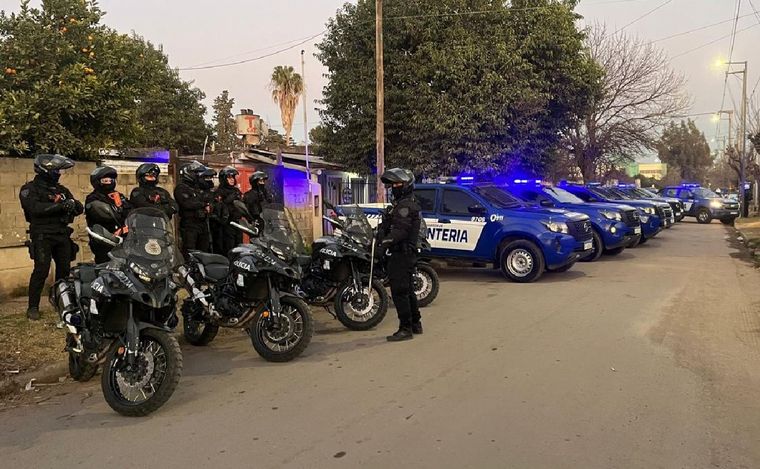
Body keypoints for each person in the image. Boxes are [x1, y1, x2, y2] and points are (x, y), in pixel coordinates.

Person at [19, 154, 83, 320]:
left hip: (61, 234)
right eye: (56, 170)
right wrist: (60, 206)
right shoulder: (29, 189)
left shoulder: (61, 190)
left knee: (64, 270)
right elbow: (35, 209)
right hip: (42, 235)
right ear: (45, 170)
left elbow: (78, 207)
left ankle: (63, 303)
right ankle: (33, 307)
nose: (59, 173)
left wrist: (73, 205)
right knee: (41, 269)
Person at [377, 168, 422, 342]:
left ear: (406, 185)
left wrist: (384, 244)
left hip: (401, 254)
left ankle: (405, 328)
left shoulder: (405, 206)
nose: (393, 188)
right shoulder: (405, 203)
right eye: (392, 185)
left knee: (400, 291)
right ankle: (416, 323)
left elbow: (400, 231)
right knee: (408, 289)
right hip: (406, 253)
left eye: (397, 184)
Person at [85, 166, 132, 264]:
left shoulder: (119, 196)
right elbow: (108, 214)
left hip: (124, 239)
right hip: (104, 240)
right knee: (105, 267)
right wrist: (119, 211)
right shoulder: (93, 198)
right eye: (105, 180)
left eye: (111, 179)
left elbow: (131, 211)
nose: (109, 182)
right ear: (97, 181)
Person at [175, 161, 213, 257]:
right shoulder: (181, 188)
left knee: (204, 250)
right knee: (190, 251)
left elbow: (209, 200)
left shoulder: (198, 188)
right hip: (190, 225)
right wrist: (203, 204)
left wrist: (207, 205)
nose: (197, 175)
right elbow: (187, 203)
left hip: (202, 223)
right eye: (195, 173)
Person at [212, 166, 244, 255]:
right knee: (229, 247)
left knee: (240, 246)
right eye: (229, 177)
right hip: (227, 223)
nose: (232, 179)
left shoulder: (236, 190)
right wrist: (230, 198)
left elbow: (242, 205)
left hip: (238, 222)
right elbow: (219, 206)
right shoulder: (219, 191)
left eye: (233, 177)